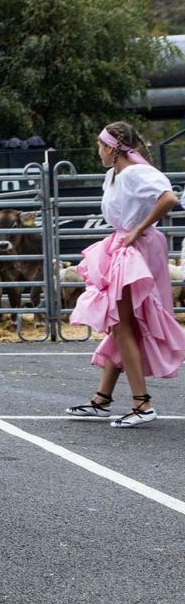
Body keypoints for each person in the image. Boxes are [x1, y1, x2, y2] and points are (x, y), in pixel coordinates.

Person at [67, 122, 185, 427]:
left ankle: (142, 404)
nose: (98, 151)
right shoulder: (114, 174)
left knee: (121, 324)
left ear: (111, 148)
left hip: (137, 249)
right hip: (122, 245)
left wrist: (138, 230)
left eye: (99, 146)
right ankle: (103, 399)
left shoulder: (134, 172)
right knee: (120, 325)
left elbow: (169, 198)